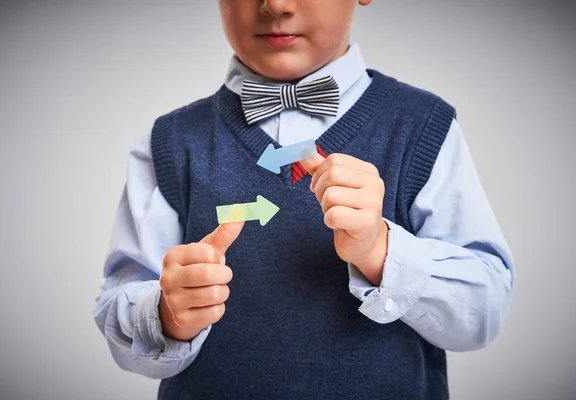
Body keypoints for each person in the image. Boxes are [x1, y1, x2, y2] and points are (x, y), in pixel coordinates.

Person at [93, 0, 515, 398]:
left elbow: (482, 314)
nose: (276, 5)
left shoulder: (425, 129)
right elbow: (121, 324)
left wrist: (380, 251)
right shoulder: (169, 143)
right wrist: (167, 315)